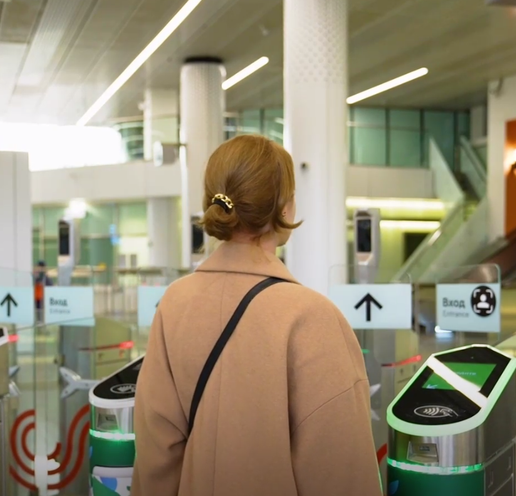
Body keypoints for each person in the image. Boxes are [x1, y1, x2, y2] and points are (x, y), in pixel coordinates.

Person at [132, 135, 381, 496]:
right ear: (284, 208)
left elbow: (156, 449)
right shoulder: (313, 318)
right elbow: (340, 470)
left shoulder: (174, 303)